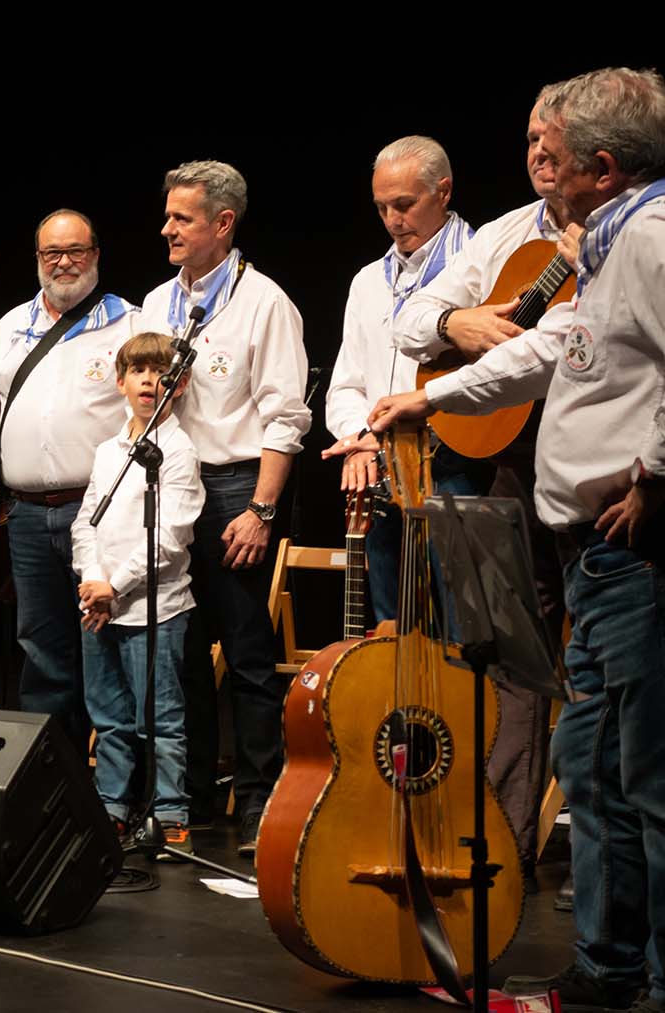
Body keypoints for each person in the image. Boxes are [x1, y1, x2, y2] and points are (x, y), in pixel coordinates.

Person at [371, 66, 665, 1013]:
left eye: (557, 151)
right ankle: (607, 969)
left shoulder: (651, 238)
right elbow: (549, 347)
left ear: (602, 167)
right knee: (592, 767)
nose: (542, 163)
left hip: (632, 555)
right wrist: (430, 398)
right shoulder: (604, 242)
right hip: (589, 553)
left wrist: (656, 476)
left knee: (645, 775)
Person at [377, 92, 582, 889]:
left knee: (602, 661)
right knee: (509, 650)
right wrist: (455, 325)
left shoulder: (618, 236)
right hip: (510, 462)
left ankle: (604, 857)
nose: (537, 155)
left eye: (552, 141)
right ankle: (503, 846)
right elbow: (412, 318)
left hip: (594, 466)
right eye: (529, 139)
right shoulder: (504, 234)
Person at [136, 161, 312, 852]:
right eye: (168, 216)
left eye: (181, 218)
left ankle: (260, 800)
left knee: (245, 651)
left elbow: (285, 417)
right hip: (170, 482)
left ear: (223, 223)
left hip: (237, 486)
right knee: (180, 649)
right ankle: (194, 797)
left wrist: (262, 510)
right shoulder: (157, 302)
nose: (167, 229)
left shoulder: (264, 302)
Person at [321, 137, 492, 627]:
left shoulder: (482, 264)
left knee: (466, 628)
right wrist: (359, 439)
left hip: (458, 464)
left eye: (404, 204)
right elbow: (346, 385)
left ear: (444, 191)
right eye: (381, 208)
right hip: (381, 466)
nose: (393, 220)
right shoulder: (367, 281)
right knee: (392, 629)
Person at [0, 208, 139, 755]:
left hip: (99, 513)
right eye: (52, 252)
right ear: (37, 258)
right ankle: (52, 771)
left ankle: (117, 781)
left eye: (76, 250)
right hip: (26, 513)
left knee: (106, 645)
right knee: (41, 649)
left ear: (95, 254)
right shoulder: (8, 327)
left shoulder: (130, 323)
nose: (64, 262)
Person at [72, 331, 203, 858]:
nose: (150, 381)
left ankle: (170, 812)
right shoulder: (109, 451)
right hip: (99, 604)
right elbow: (86, 522)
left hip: (155, 607)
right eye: (140, 371)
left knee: (160, 718)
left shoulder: (179, 451)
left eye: (161, 373)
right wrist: (93, 580)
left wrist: (116, 585)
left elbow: (170, 536)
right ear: (121, 382)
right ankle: (112, 807)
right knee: (108, 716)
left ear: (180, 384)